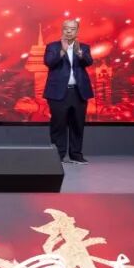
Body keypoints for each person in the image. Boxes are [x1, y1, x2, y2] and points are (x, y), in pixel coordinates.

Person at [44, 19, 94, 164]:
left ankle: (76, 155)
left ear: (77, 31)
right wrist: (62, 51)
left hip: (79, 92)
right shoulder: (52, 46)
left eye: (72, 29)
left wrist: (80, 54)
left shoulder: (84, 47)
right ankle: (58, 156)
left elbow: (89, 62)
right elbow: (49, 62)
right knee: (58, 125)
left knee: (77, 124)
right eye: (66, 28)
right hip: (58, 92)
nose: (69, 31)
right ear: (62, 30)